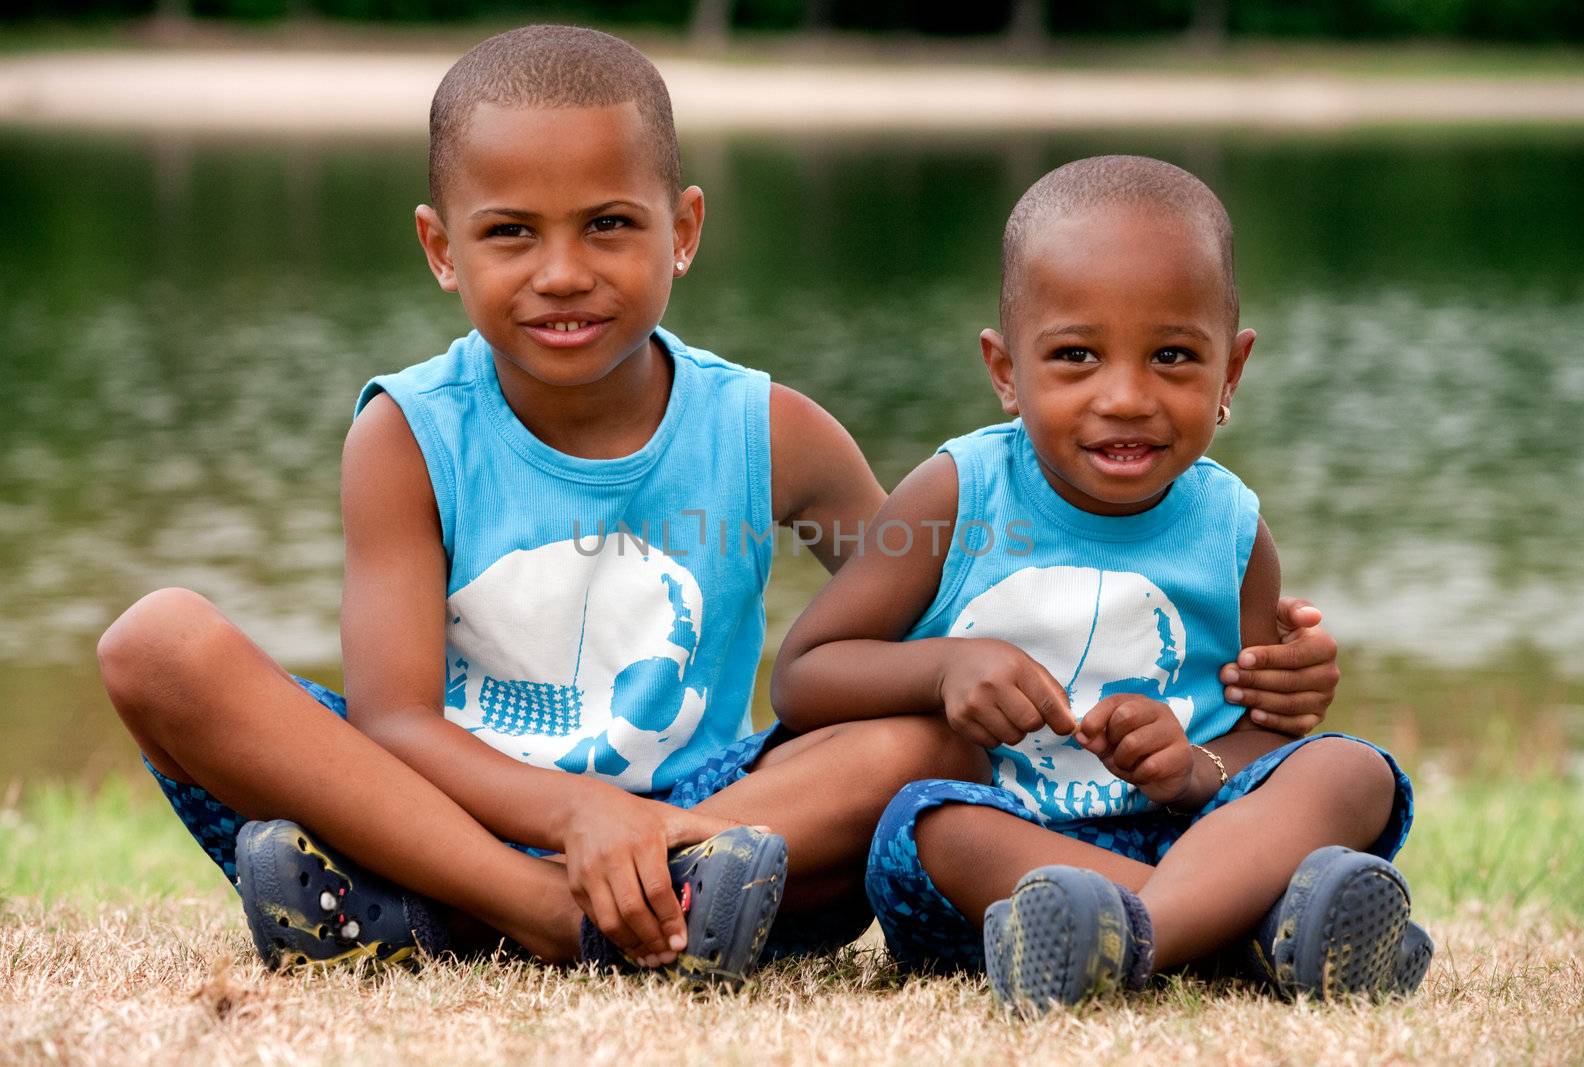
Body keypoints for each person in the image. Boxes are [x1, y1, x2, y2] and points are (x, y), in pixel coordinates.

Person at [96, 26, 1340, 988]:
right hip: (453, 809)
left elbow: (922, 637)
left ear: (682, 229)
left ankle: (424, 913)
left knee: (922, 744)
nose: (564, 270)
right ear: (441, 248)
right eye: (511, 233)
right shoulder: (406, 435)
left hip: (722, 819)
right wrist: (576, 822)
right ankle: (539, 911)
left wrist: (1238, 677)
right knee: (158, 642)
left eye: (610, 225)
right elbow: (397, 723)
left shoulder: (770, 432)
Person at [772, 155, 1430, 1010]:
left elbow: (1261, 739)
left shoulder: (1231, 527)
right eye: (1077, 356)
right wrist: (942, 669)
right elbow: (804, 674)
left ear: (1230, 372)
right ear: (1006, 370)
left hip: (1184, 842)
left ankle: (1133, 941)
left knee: (1351, 770)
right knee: (927, 821)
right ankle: (1249, 935)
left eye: (1172, 356)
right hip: (1007, 857)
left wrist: (1193, 765)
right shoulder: (955, 494)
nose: (1125, 397)